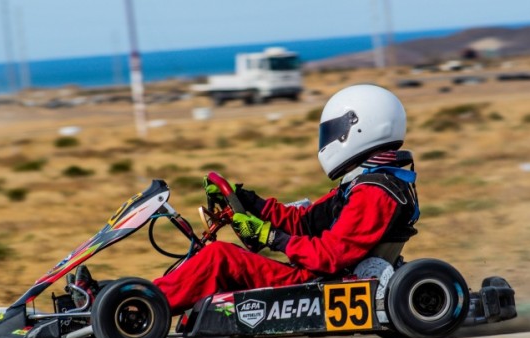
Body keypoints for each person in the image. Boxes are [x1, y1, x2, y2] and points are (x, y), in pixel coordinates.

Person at [73, 84, 420, 316]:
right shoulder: (362, 184)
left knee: (218, 257)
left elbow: (330, 256)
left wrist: (272, 238)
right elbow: (303, 221)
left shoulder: (375, 193)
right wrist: (248, 202)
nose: (329, 140)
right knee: (205, 254)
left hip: (321, 284)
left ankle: (133, 308)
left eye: (334, 132)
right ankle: (111, 296)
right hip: (316, 274)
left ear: (359, 128)